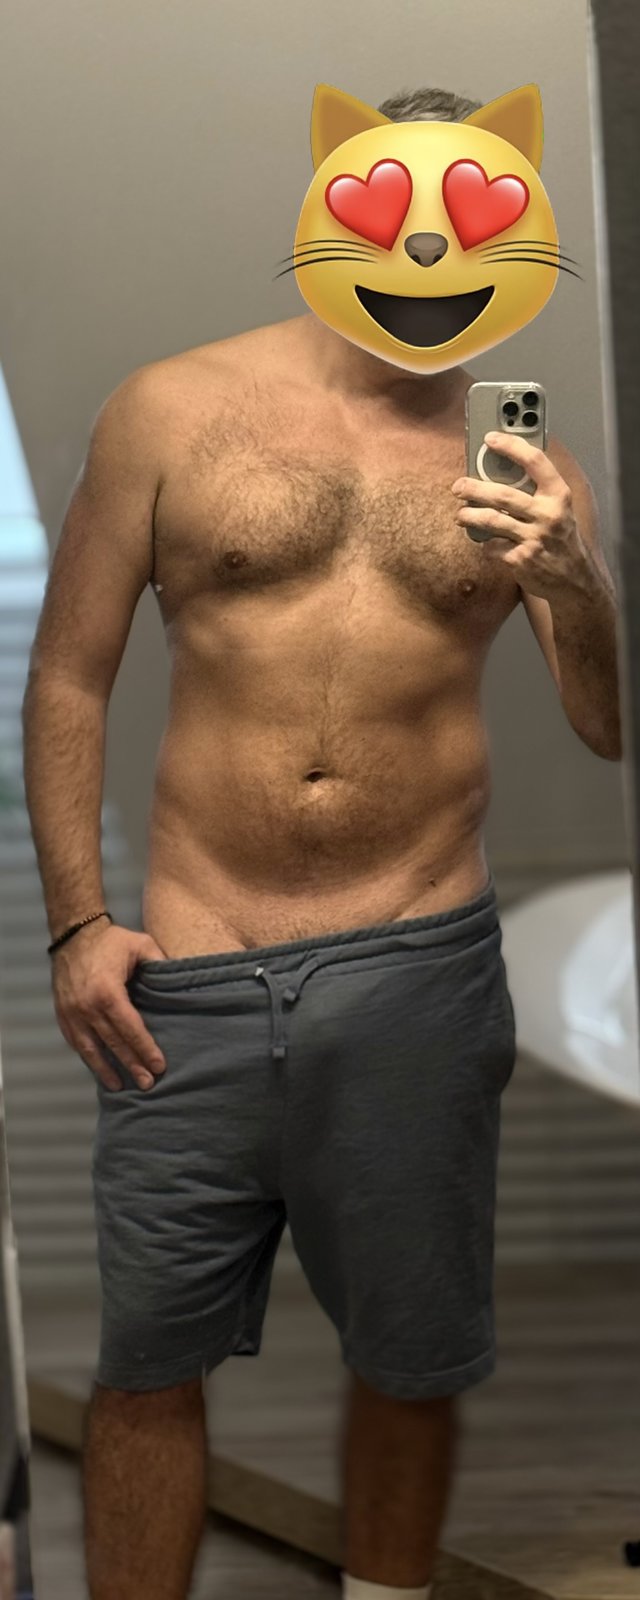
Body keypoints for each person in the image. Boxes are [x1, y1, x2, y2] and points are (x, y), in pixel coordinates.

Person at [21, 86, 620, 1600]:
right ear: (333, 211)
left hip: (417, 959)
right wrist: (79, 924)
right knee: (146, 1363)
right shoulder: (170, 409)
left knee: (410, 1359)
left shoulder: (523, 462)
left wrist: (577, 580)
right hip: (192, 971)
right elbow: (71, 672)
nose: (428, 256)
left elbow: (606, 727)